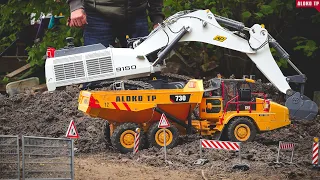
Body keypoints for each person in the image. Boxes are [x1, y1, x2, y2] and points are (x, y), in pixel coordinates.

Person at [66, 0, 165, 48]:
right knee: (96, 72)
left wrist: (157, 18)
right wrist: (76, 6)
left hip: (137, 13)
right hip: (98, 14)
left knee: (145, 69)